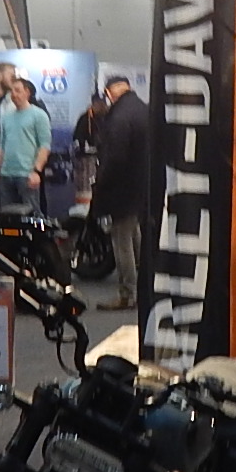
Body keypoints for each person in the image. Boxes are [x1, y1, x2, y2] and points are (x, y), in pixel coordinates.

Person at [91, 74, 149, 311]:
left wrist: (101, 183)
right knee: (135, 237)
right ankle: (144, 289)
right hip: (140, 186)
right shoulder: (143, 110)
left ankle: (127, 294)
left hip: (121, 189)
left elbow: (114, 157)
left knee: (121, 241)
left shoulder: (119, 117)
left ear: (109, 92)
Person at [0, 77, 51, 212]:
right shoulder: (6, 117)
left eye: (17, 91)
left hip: (27, 175)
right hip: (6, 175)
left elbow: (45, 146)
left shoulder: (39, 115)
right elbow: (2, 145)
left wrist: (36, 172)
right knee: (7, 217)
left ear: (27, 92)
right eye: (12, 91)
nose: (14, 94)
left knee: (31, 216)